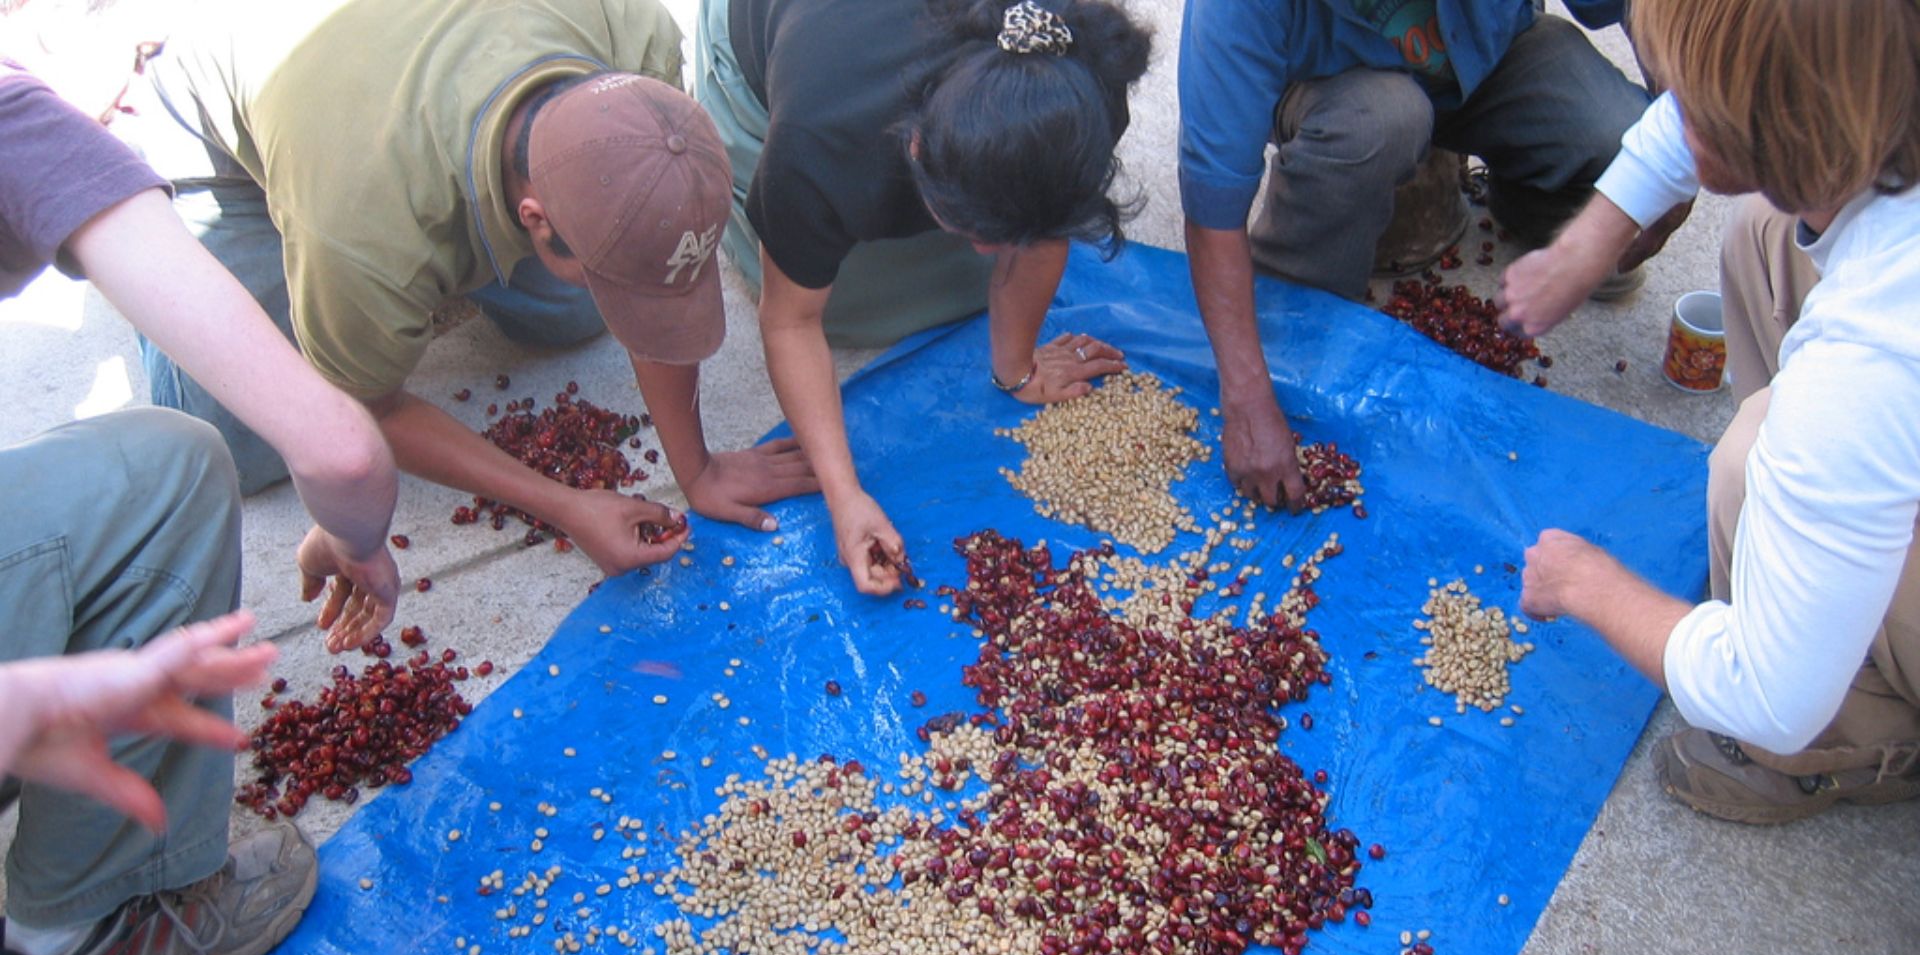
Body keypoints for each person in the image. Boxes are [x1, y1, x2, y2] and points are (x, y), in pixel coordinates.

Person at [0, 61, 403, 955]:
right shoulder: (16, 122)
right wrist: (358, 540)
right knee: (167, 471)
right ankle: (67, 943)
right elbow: (342, 449)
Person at [129, 0, 820, 577]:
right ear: (536, 221)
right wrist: (564, 503)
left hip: (408, 89)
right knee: (235, 439)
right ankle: (136, 218)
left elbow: (650, 247)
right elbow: (365, 408)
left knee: (576, 311)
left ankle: (436, 281)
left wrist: (695, 470)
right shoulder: (364, 232)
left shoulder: (635, 42)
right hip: (227, 127)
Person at [1505, 0, 1920, 824]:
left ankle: (1856, 728)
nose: (1671, 106)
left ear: (1761, 127)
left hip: (1866, 404)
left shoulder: (1874, 347)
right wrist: (1593, 238)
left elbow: (1766, 694)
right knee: (1765, 232)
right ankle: (1826, 572)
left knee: (1745, 459)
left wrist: (1591, 584)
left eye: (1683, 91)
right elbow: (1717, 111)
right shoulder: (1873, 77)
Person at [695, 0, 1149, 594]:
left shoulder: (1075, 75)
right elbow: (791, 322)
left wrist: (1018, 369)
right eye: (975, 233)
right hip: (771, 41)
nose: (989, 251)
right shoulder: (821, 137)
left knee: (982, 269)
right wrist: (845, 496)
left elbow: (1042, 234)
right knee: (856, 309)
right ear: (913, 148)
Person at [1176, 0, 1651, 510]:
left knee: (1624, 134)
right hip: (1339, 90)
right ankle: (1300, 294)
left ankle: (1528, 198)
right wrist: (1248, 396)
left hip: (1487, 56)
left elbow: (1650, 11)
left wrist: (1679, 151)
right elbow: (1213, 207)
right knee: (1380, 124)